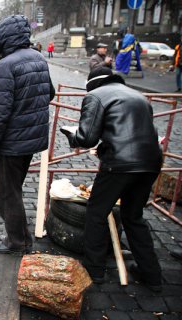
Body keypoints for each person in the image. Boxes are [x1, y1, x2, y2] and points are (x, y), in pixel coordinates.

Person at [60, 67, 162, 291]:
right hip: (151, 162)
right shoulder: (137, 95)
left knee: (96, 212)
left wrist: (70, 134)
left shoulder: (95, 96)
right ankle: (152, 274)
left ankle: (93, 269)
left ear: (92, 84)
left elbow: (87, 138)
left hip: (120, 164)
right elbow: (133, 132)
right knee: (134, 216)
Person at [0, 15, 55, 256]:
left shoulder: (6, 65)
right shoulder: (38, 57)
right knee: (14, 190)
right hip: (32, 139)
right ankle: (23, 238)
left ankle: (15, 243)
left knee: (7, 194)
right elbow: (50, 93)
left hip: (12, 142)